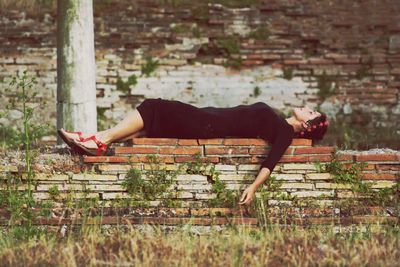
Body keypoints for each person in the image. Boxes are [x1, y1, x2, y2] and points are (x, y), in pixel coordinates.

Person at [58, 97, 329, 206]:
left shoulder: (283, 132)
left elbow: (271, 161)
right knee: (147, 126)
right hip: (207, 117)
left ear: (307, 125)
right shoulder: (281, 123)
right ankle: (96, 142)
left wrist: (254, 187)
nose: (307, 107)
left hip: (207, 124)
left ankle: (98, 139)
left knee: (154, 108)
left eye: (311, 112)